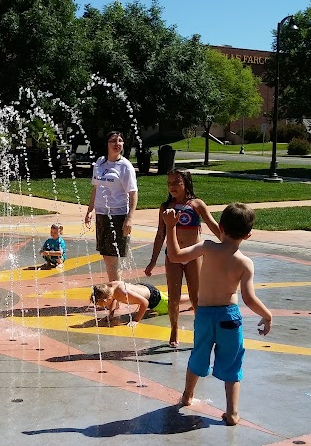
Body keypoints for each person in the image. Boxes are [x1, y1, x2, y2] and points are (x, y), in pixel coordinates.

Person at [163, 203, 273, 426]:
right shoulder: (245, 263)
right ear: (248, 235)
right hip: (229, 317)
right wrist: (267, 315)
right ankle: (232, 413)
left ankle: (187, 396)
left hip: (204, 315)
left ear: (220, 227)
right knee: (232, 363)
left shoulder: (207, 247)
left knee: (198, 355)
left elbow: (174, 256)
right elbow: (249, 298)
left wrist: (170, 227)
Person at [145, 168, 221, 348]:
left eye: (176, 182)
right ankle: (174, 329)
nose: (172, 186)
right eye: (169, 183)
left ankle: (201, 330)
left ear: (186, 183)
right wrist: (153, 260)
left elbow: (213, 225)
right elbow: (160, 234)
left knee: (196, 297)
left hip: (193, 255)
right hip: (173, 256)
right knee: (174, 295)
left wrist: (228, 243)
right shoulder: (165, 207)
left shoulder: (197, 205)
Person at [84, 131, 137, 281]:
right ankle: (116, 295)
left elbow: (133, 194)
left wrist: (129, 218)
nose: (117, 144)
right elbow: (96, 188)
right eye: (113, 141)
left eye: (120, 141)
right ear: (106, 144)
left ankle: (115, 298)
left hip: (118, 215)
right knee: (108, 258)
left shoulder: (125, 167)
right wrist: (90, 210)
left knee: (112, 259)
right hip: (102, 214)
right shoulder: (100, 162)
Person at [90, 280, 187, 327]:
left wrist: (136, 320)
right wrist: (111, 315)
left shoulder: (123, 293)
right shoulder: (109, 288)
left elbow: (144, 303)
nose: (101, 306)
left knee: (173, 303)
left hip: (152, 298)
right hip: (144, 288)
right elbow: (113, 299)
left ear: (107, 299)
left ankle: (195, 298)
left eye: (101, 304)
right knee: (167, 297)